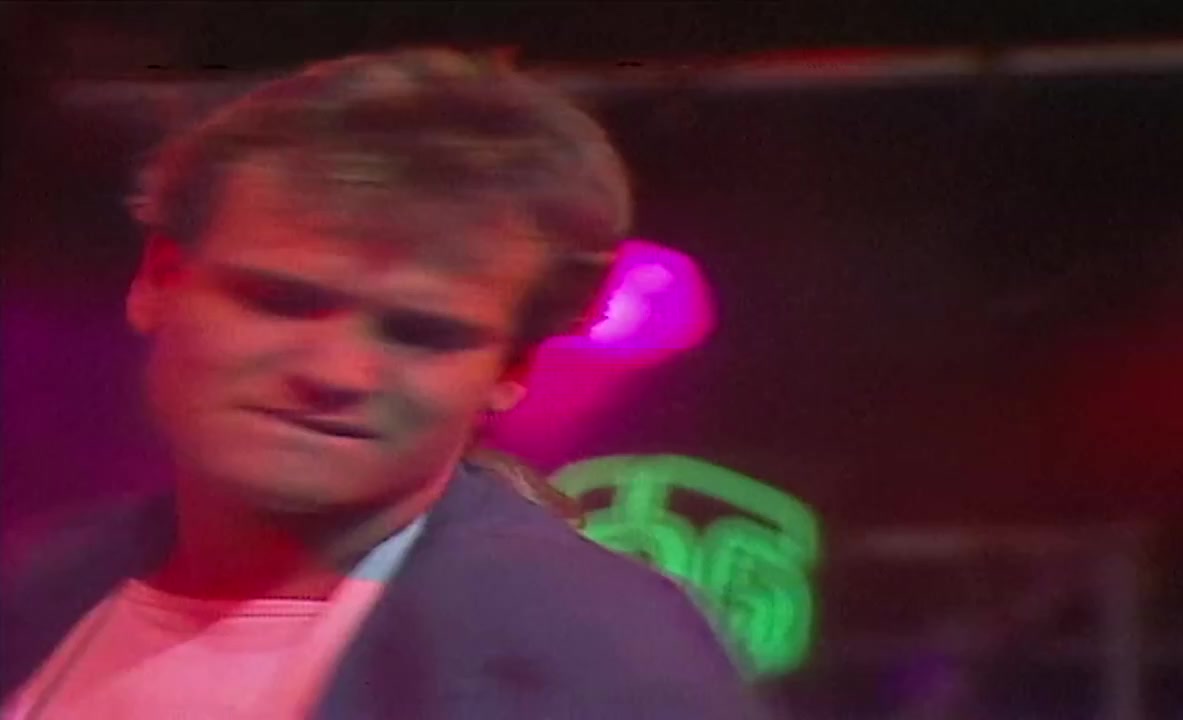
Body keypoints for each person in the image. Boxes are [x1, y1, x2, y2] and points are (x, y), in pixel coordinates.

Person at [0, 48, 767, 719]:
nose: (334, 373)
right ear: (159, 280)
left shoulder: (587, 650)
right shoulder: (44, 581)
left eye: (422, 334)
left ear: (512, 370)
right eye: (281, 301)